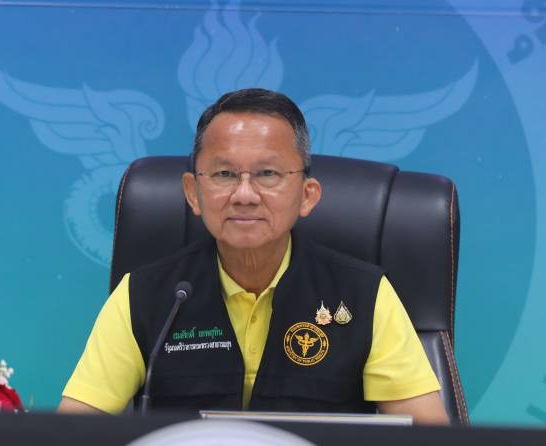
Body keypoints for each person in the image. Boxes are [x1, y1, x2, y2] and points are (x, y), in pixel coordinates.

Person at [58, 88, 449, 425]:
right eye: (224, 175)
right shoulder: (145, 295)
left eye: (268, 174)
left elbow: (429, 436)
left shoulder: (364, 295)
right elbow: (72, 431)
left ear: (307, 195)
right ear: (193, 193)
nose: (244, 195)